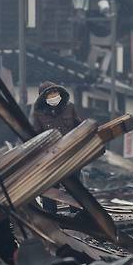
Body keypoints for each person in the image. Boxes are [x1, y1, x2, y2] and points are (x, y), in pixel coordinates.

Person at [31, 81, 82, 213]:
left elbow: (80, 127)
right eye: (49, 94)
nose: (53, 96)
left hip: (71, 155)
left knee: (75, 188)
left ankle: (77, 216)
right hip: (50, 158)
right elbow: (35, 135)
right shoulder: (38, 113)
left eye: (55, 92)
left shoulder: (70, 107)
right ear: (42, 97)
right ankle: (52, 218)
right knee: (50, 189)